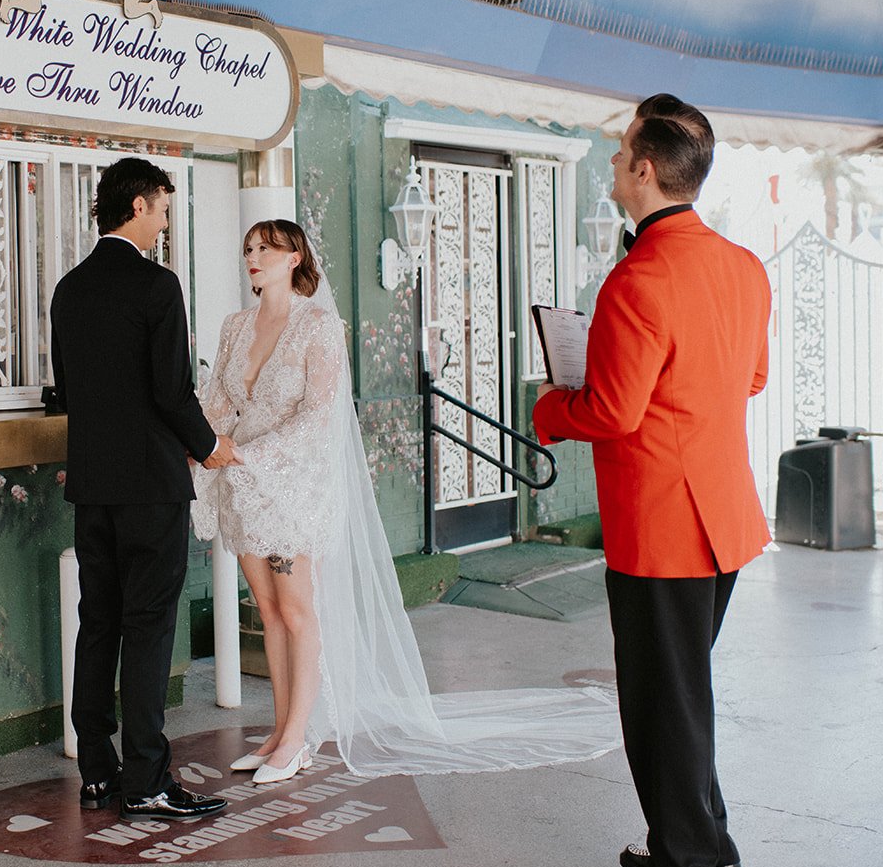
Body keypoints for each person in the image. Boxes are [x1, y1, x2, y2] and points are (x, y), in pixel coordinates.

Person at [194, 219, 623, 787]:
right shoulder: (234, 327)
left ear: (295, 257)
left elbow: (319, 415)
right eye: (248, 247)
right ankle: (277, 730)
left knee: (299, 611)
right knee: (269, 612)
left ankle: (298, 738)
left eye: (266, 249)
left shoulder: (318, 327)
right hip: (242, 491)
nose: (252, 257)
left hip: (291, 488)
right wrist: (204, 445)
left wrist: (250, 456)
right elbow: (217, 399)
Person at [533, 94, 771, 867]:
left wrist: (549, 406)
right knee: (685, 696)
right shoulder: (743, 266)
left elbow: (612, 411)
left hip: (662, 524)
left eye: (618, 153)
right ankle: (710, 847)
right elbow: (754, 378)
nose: (610, 165)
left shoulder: (637, 278)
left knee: (661, 708)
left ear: (643, 169)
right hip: (724, 518)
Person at [50, 157, 237, 824]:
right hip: (152, 487)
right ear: (136, 206)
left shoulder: (69, 290)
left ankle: (98, 775)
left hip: (92, 486)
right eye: (160, 209)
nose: (163, 223)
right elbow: (170, 391)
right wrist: (213, 446)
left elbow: (66, 393)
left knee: (97, 622)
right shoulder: (159, 286)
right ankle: (149, 781)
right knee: (150, 628)